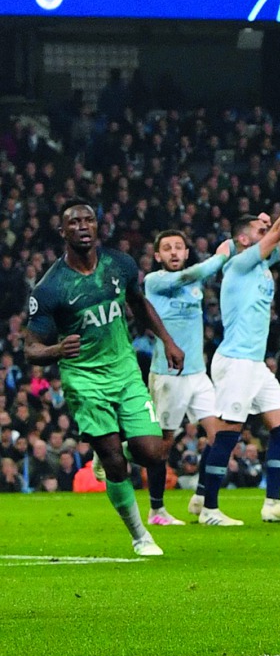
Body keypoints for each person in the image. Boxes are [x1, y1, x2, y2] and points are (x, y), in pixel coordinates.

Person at [23, 199, 186, 556]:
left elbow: (138, 303)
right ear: (62, 231)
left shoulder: (120, 264)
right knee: (116, 462)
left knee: (153, 453)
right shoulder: (50, 288)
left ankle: (108, 448)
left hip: (124, 370)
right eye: (74, 222)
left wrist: (168, 341)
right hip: (84, 378)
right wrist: (56, 350)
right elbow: (31, 348)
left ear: (98, 226)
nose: (82, 226)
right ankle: (141, 535)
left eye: (88, 220)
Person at [198, 167, 280, 526]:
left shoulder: (263, 264)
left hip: (255, 363)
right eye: (257, 230)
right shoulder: (240, 264)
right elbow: (277, 232)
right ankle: (209, 507)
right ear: (243, 240)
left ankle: (272, 503)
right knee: (228, 433)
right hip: (236, 361)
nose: (265, 231)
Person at [144, 229, 231, 526]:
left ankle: (205, 503)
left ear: (185, 252)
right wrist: (224, 253)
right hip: (168, 377)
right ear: (157, 256)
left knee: (220, 436)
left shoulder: (194, 286)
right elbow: (191, 275)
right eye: (167, 248)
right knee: (162, 446)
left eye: (178, 247)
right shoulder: (154, 281)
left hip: (198, 374)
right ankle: (157, 510)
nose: (173, 252)